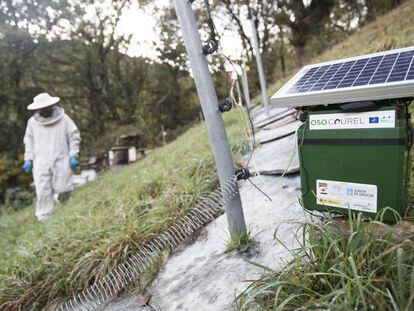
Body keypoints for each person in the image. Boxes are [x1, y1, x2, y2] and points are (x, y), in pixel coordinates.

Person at [23, 92, 81, 221]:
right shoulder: (32, 123)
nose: (44, 110)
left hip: (61, 158)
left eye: (46, 107)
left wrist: (73, 155)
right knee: (42, 191)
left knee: (64, 188)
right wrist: (28, 158)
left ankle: (68, 212)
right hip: (40, 161)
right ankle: (44, 218)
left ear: (51, 105)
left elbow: (74, 136)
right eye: (41, 108)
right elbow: (29, 141)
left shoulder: (64, 119)